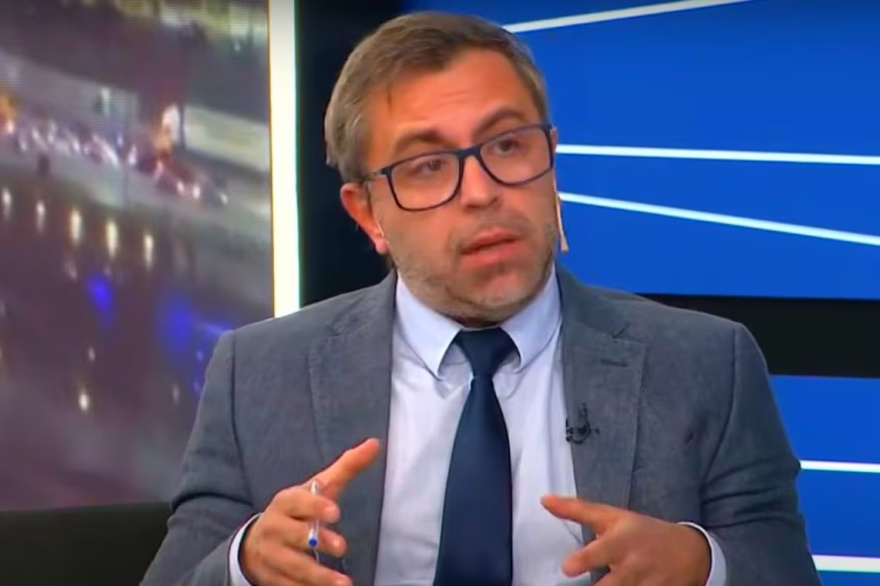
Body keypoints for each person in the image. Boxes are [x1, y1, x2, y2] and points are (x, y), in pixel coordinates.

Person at [141, 11, 821, 586]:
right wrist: (245, 563)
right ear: (367, 213)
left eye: (507, 145)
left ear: (550, 157)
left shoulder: (707, 363)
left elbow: (781, 568)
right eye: (428, 165)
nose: (482, 191)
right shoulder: (260, 372)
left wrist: (702, 564)